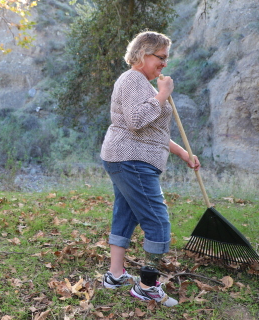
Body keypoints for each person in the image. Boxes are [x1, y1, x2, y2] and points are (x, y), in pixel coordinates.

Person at [100, 31, 200, 307]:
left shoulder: (142, 83)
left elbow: (152, 131)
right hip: (131, 160)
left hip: (128, 157)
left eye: (166, 58)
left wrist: (183, 153)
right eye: (161, 57)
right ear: (144, 53)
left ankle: (116, 275)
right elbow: (136, 120)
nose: (165, 64)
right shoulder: (133, 79)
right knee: (157, 220)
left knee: (126, 213)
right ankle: (147, 285)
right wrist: (163, 95)